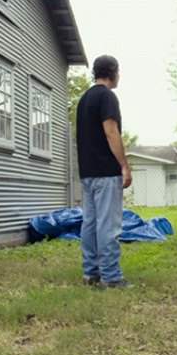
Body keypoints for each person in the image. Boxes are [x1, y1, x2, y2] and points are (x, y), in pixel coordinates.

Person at [75, 55, 132, 288]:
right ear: (113, 72)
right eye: (118, 71)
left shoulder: (84, 98)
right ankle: (111, 277)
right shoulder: (107, 96)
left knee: (89, 223)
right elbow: (111, 132)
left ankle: (91, 273)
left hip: (87, 171)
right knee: (108, 225)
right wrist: (124, 165)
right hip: (106, 172)